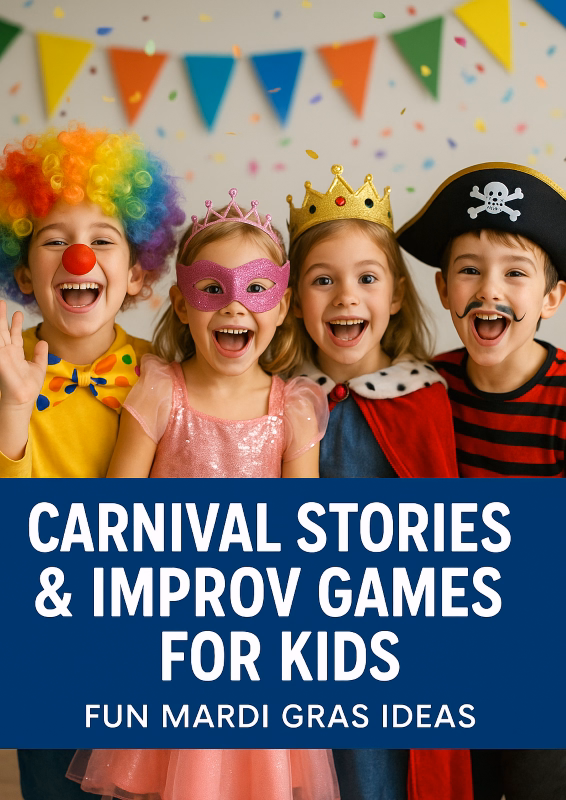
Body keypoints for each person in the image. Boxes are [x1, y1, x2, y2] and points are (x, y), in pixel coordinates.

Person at [66, 189, 336, 800]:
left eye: (257, 289)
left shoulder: (293, 408)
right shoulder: (160, 392)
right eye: (213, 289)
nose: (235, 306)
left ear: (284, 304)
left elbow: (305, 537)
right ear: (183, 306)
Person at [0, 123, 185, 800]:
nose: (79, 258)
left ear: (136, 273)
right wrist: (13, 415)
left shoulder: (165, 375)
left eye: (102, 239)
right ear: (25, 273)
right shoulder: (2, 378)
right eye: (54, 240)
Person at [286, 165, 470, 800]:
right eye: (322, 280)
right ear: (291, 298)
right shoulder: (281, 399)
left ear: (394, 294)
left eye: (366, 278)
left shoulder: (424, 397)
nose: (345, 297)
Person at [397, 161, 566, 800]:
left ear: (552, 298)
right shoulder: (423, 388)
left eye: (515, 273)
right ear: (443, 289)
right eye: (469, 269)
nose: (488, 288)